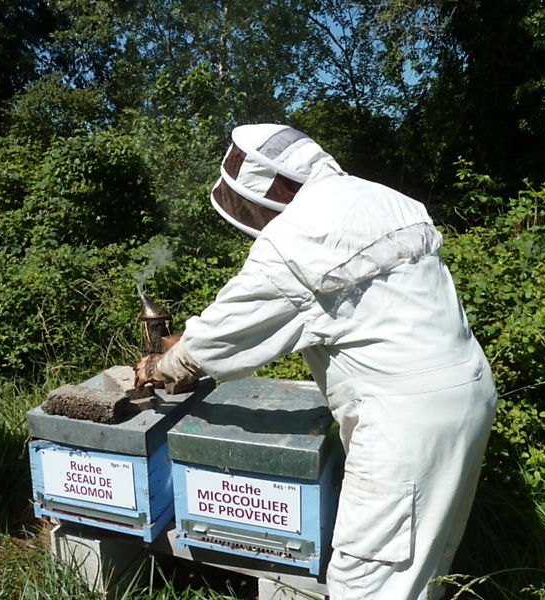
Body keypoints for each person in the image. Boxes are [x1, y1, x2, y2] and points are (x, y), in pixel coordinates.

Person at [134, 123, 497, 599]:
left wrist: (160, 367)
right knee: (424, 554)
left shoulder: (298, 236)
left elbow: (220, 339)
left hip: (406, 420)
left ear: (275, 186)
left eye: (254, 202)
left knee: (368, 576)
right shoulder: (379, 198)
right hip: (468, 389)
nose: (256, 214)